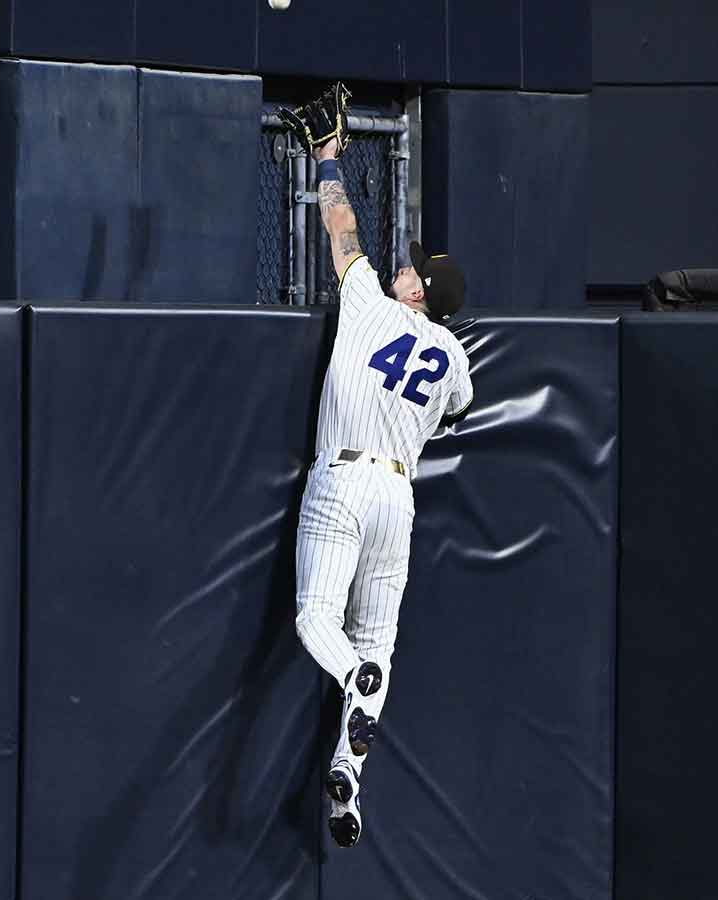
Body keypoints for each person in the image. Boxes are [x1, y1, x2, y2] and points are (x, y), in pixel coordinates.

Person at [293, 134, 473, 848]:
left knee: (318, 622)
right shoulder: (453, 356)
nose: (404, 267)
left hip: (343, 476)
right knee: (380, 643)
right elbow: (457, 408)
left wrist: (328, 157)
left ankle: (352, 677)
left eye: (415, 269)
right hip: (398, 498)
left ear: (419, 291)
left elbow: (340, 223)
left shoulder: (367, 298)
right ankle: (348, 782)